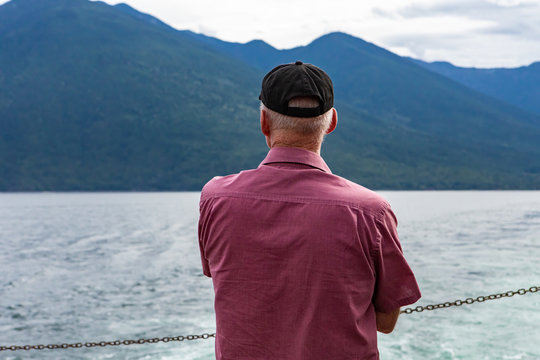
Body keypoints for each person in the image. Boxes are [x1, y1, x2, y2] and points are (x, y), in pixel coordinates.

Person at [198, 61, 421, 360]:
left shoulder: (215, 199)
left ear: (263, 121)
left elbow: (224, 277)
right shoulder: (370, 212)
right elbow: (386, 320)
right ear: (332, 122)